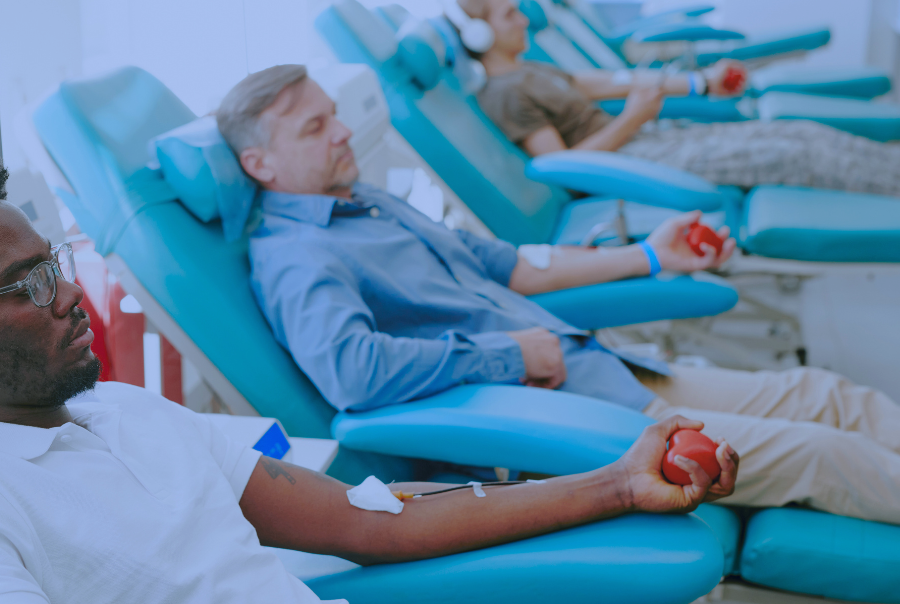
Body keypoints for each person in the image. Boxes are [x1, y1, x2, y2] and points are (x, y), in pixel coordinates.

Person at [0, 141, 900, 604]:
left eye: (58, 266)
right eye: (30, 288)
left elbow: (364, 524)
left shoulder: (126, 415)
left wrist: (613, 485)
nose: (68, 300)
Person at [221, 63, 900, 528]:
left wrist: (647, 255)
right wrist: (507, 356)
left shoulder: (364, 200)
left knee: (830, 397)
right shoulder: (295, 257)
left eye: (333, 116)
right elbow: (352, 372)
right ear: (260, 165)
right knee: (821, 453)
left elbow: (510, 264)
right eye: (314, 128)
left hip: (601, 367)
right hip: (568, 419)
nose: (342, 132)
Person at [462, 0, 900, 197]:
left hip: (646, 142)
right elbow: (564, 170)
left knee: (796, 130)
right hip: (633, 162)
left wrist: (699, 83)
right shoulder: (505, 94)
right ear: (480, 34)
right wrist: (632, 119)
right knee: (789, 155)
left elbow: (605, 81)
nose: (524, 19)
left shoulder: (528, 68)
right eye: (509, 14)